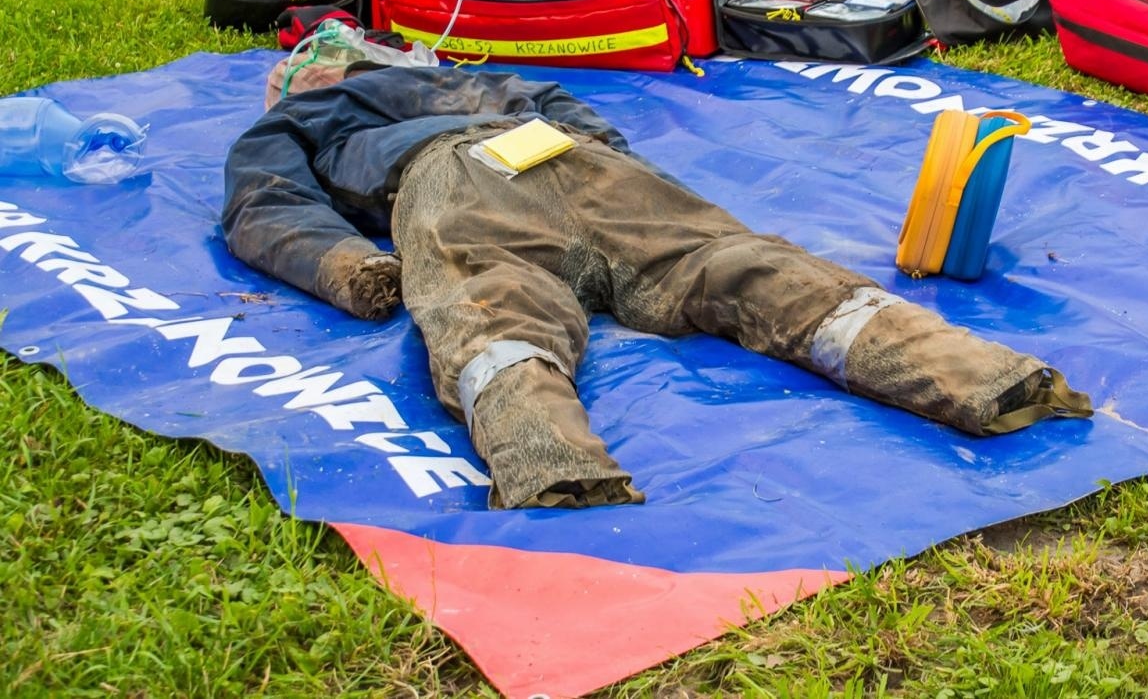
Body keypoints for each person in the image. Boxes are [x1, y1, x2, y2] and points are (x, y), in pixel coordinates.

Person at [222, 57, 1092, 510]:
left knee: (493, 315)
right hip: (576, 165)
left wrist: (354, 269)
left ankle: (556, 468)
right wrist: (607, 164)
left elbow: (265, 204)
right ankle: (988, 378)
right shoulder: (445, 85)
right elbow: (559, 105)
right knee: (746, 268)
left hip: (459, 182)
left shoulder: (304, 113)